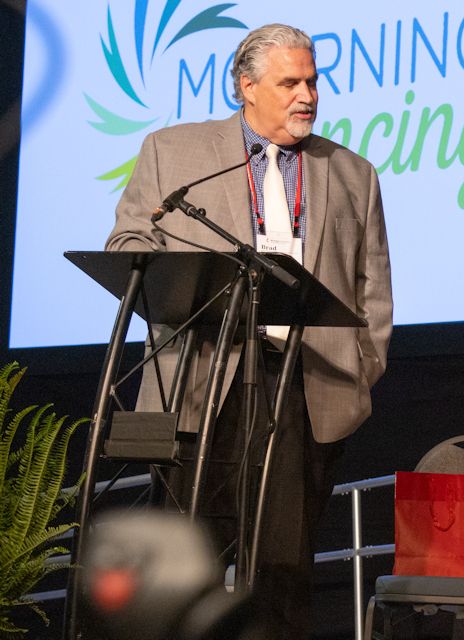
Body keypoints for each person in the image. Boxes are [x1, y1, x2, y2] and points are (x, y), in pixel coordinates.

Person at [105, 24, 392, 638]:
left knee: (282, 573)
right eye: (290, 82)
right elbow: (129, 243)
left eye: (312, 81)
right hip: (202, 382)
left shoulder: (353, 173)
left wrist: (361, 369)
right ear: (246, 87)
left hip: (304, 388)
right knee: (188, 563)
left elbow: (373, 289)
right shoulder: (173, 152)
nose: (307, 95)